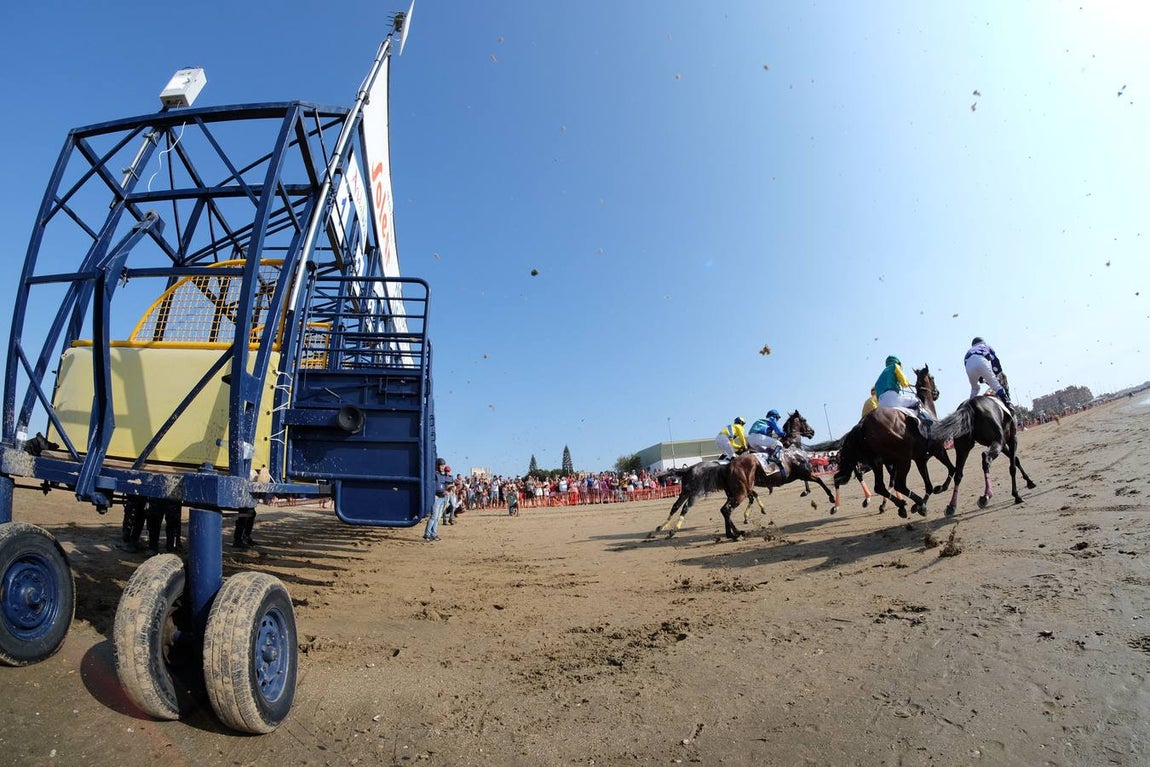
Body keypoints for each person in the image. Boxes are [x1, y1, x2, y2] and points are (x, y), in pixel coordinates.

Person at [874, 355, 934, 422]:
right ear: (898, 362)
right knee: (916, 401)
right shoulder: (895, 366)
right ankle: (926, 419)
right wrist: (906, 383)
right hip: (892, 397)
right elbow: (904, 382)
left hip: (881, 403)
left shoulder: (881, 376)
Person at [964, 337, 1011, 408]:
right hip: (981, 361)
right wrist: (997, 372)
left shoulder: (968, 351)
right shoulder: (985, 346)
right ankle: (1008, 405)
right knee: (996, 386)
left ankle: (968, 407)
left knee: (975, 389)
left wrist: (981, 379)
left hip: (968, 366)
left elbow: (974, 371)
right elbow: (995, 360)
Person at [747, 409, 788, 478]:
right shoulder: (772, 419)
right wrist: (785, 434)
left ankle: (763, 467)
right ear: (775, 416)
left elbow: (767, 436)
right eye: (777, 418)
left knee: (765, 451)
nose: (777, 419)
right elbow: (778, 431)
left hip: (750, 439)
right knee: (779, 444)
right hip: (758, 437)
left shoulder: (761, 420)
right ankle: (773, 458)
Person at [424, 459, 451, 541]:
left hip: (443, 497)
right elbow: (432, 486)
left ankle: (433, 534)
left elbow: (444, 485)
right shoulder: (434, 475)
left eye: (443, 465)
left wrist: (447, 490)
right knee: (433, 517)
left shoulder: (442, 475)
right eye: (441, 465)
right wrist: (433, 495)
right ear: (437, 466)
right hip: (437, 498)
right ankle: (427, 534)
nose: (443, 467)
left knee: (437, 518)